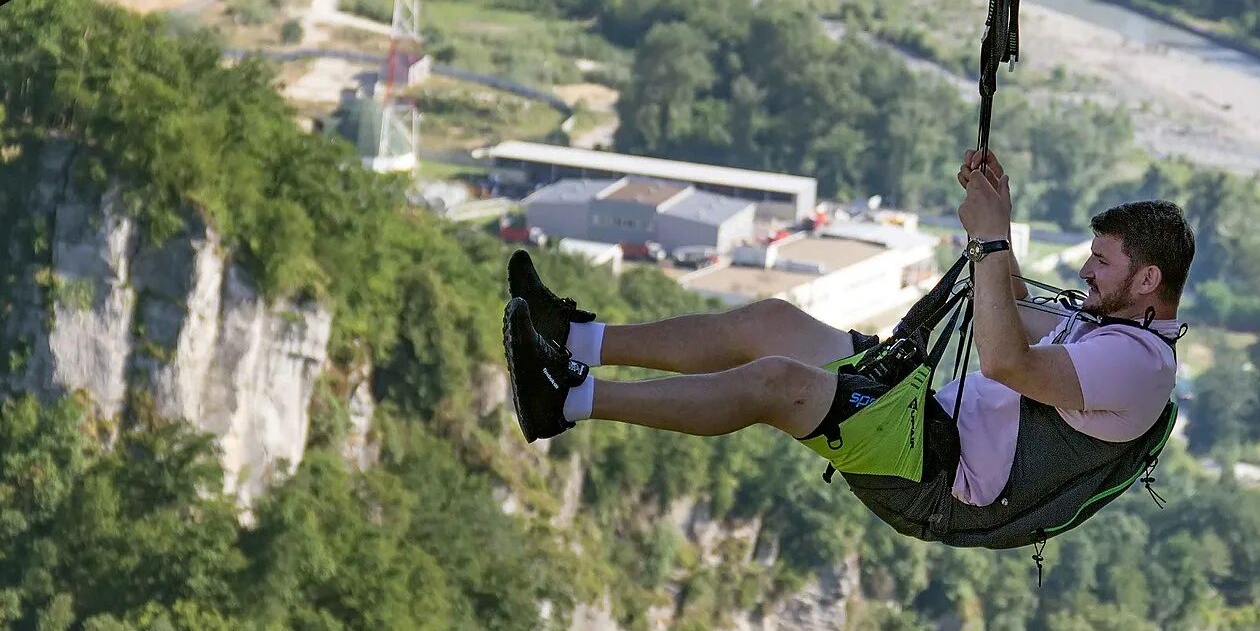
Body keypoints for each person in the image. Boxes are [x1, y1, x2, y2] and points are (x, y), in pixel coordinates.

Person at [502, 150, 1191, 520]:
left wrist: (985, 238)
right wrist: (997, 223)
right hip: (927, 418)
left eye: (1100, 262)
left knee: (777, 383)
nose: (1082, 271)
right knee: (769, 321)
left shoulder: (1136, 369)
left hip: (938, 473)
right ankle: (577, 338)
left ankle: (564, 399)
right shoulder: (1103, 325)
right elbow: (1006, 303)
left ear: (1146, 279)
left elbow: (1005, 358)